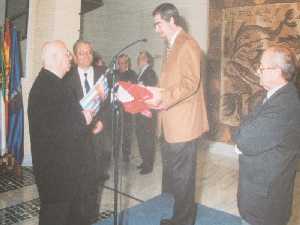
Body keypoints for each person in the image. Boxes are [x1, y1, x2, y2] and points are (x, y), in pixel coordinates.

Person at [28, 40, 105, 225]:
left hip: (62, 173)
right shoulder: (49, 88)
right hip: (58, 175)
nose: (70, 57)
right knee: (56, 217)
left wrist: (83, 120)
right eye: (66, 54)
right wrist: (83, 120)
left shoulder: (51, 83)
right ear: (54, 58)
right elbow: (58, 131)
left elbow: (59, 122)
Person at [145, 3, 209, 225]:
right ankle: (181, 218)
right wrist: (153, 93)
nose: (156, 29)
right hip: (172, 122)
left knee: (183, 179)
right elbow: (171, 81)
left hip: (184, 124)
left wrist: (164, 97)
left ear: (172, 20)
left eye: (158, 24)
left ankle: (183, 222)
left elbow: (191, 83)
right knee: (179, 179)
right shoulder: (171, 45)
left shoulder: (188, 45)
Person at [233, 45, 300, 225]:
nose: (257, 71)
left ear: (276, 72)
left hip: (265, 199)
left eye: (261, 68)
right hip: (263, 191)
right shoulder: (276, 95)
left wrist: (241, 141)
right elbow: (246, 124)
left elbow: (245, 140)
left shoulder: (284, 104)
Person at [63, 39, 111, 220]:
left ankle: (91, 216)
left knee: (95, 179)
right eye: (81, 53)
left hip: (97, 136)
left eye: (89, 52)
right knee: (77, 179)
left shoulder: (102, 74)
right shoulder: (67, 77)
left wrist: (103, 122)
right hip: (77, 137)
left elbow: (108, 102)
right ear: (75, 57)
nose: (86, 56)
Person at [135, 50, 158, 175]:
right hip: (139, 111)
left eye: (142, 57)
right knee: (141, 137)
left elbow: (150, 93)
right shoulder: (141, 73)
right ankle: (145, 161)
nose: (139, 59)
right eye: (139, 57)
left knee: (147, 139)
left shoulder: (150, 73)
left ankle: (148, 166)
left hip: (147, 112)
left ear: (147, 60)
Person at [116, 53, 137, 162]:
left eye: (123, 63)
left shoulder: (133, 74)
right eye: (119, 63)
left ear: (127, 63)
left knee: (127, 131)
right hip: (116, 107)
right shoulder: (115, 74)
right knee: (116, 130)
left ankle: (126, 154)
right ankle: (115, 153)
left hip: (128, 108)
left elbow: (135, 90)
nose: (121, 66)